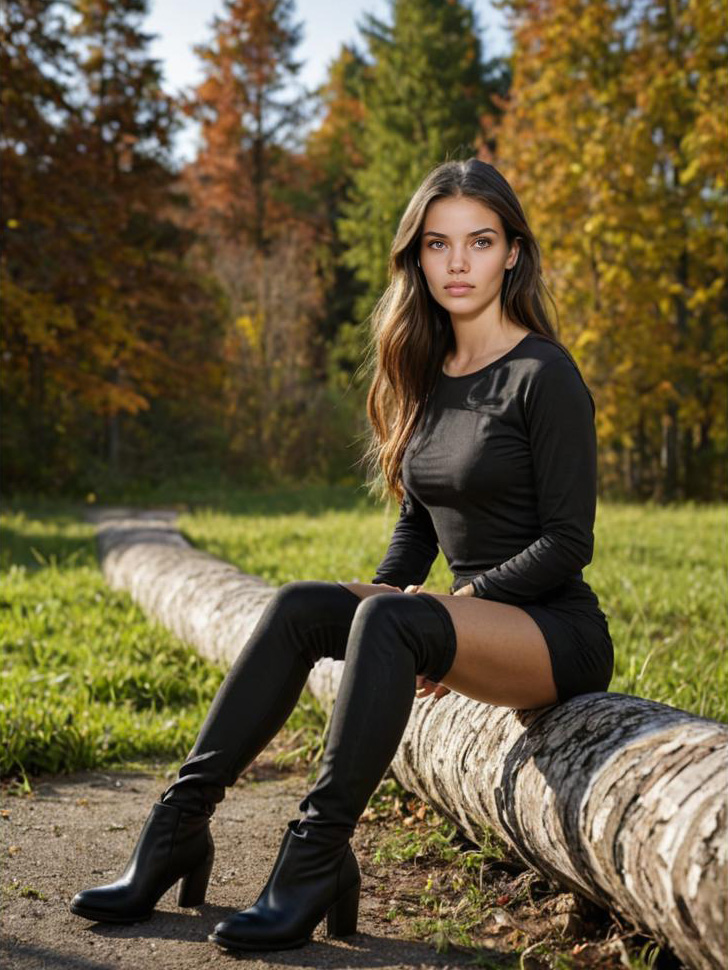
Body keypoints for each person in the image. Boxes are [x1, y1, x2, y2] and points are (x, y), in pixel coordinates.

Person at [69, 158, 613, 952]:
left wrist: (440, 610)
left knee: (393, 621)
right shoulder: (432, 374)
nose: (458, 263)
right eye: (438, 244)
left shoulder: (545, 374)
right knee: (301, 605)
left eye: (480, 241)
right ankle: (177, 828)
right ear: (417, 258)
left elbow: (569, 542)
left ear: (513, 255)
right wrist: (390, 589)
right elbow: (419, 527)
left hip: (551, 633)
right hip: (462, 622)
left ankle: (314, 856)